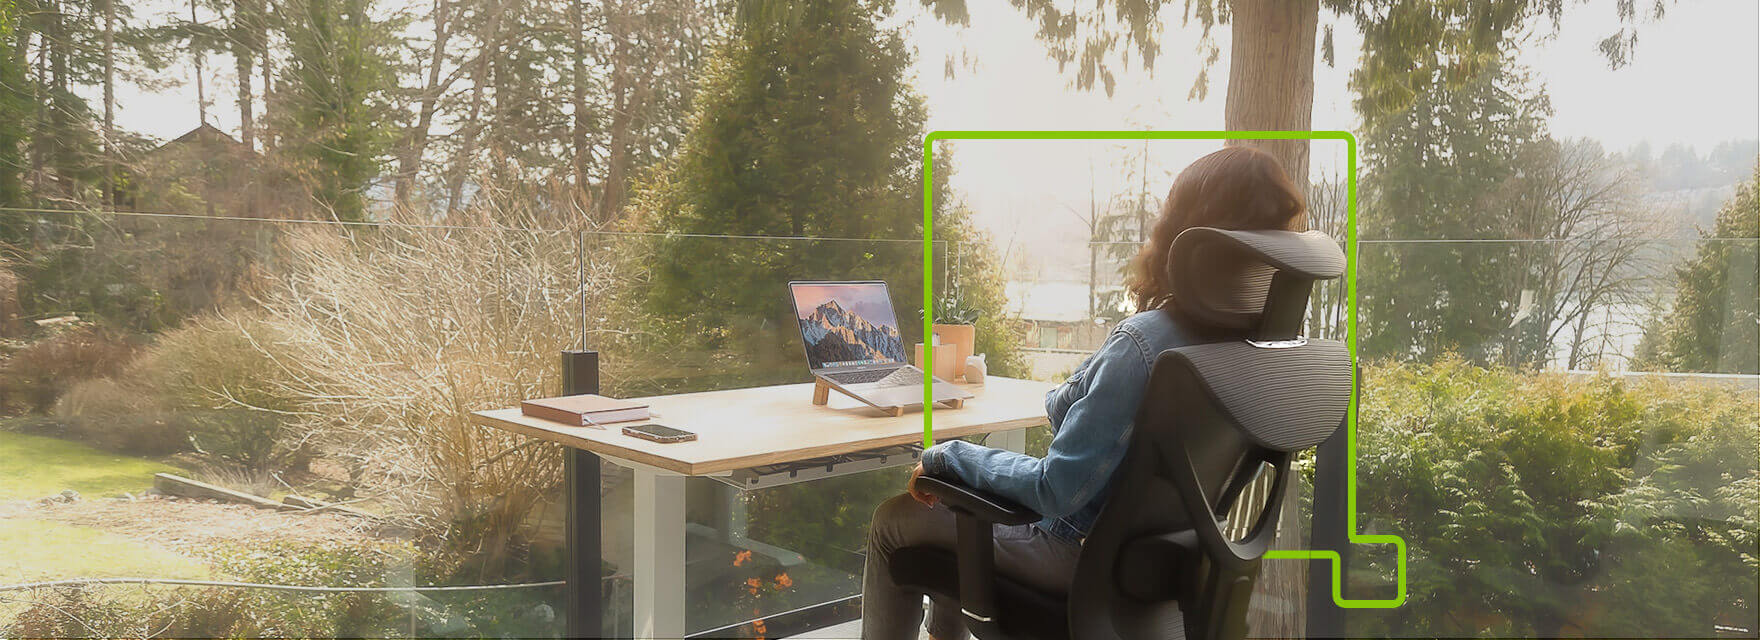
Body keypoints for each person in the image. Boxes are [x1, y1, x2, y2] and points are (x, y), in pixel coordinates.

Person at [860, 145, 1309, 640]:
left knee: (893, 521)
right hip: (1161, 570)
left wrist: (948, 457)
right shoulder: (1253, 351)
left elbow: (1057, 489)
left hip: (1076, 557)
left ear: (1186, 238)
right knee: (954, 515)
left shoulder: (1144, 346)